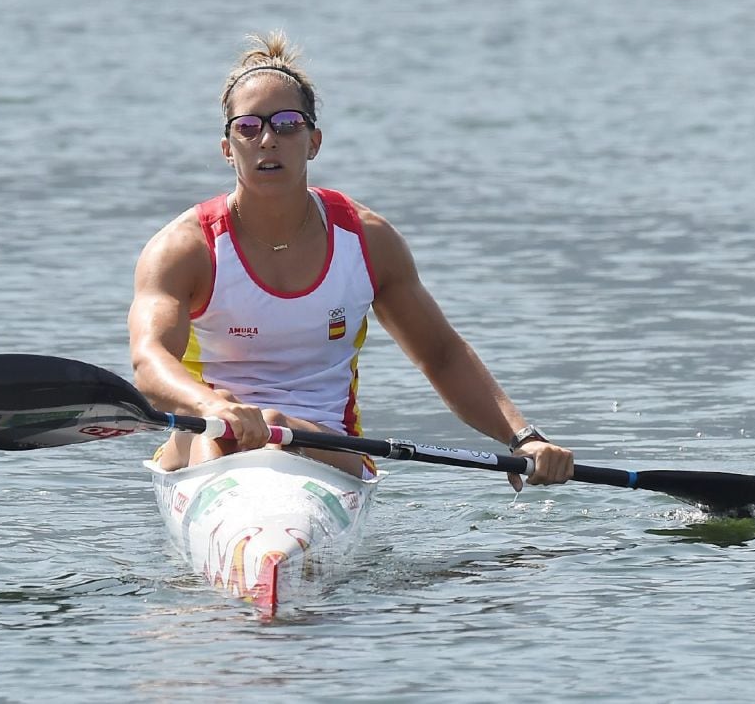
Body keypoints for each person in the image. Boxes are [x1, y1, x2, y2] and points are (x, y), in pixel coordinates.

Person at [127, 31, 573, 491]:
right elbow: (150, 359)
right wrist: (210, 407)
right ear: (227, 149)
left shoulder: (368, 241)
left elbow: (441, 355)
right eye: (248, 127)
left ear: (314, 141)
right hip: (208, 433)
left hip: (327, 447)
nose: (267, 140)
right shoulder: (184, 249)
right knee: (222, 436)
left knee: (275, 427)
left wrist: (524, 439)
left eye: (286, 124)